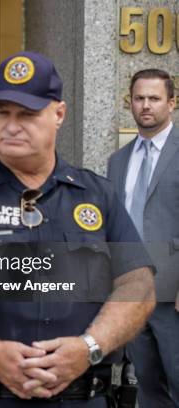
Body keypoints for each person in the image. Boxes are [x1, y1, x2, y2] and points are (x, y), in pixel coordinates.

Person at [0, 51, 156, 407]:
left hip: (82, 398)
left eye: (28, 114)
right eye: (2, 112)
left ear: (59, 114)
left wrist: (88, 348)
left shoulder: (97, 195)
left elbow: (138, 284)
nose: (11, 125)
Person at [107, 68, 179, 408]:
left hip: (173, 296)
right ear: (130, 103)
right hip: (132, 294)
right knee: (148, 387)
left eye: (154, 98)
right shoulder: (119, 161)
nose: (145, 105)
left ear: (172, 103)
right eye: (139, 98)